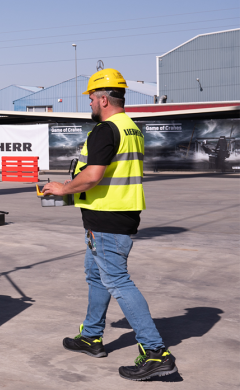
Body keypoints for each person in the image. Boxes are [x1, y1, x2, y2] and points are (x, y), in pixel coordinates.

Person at [42, 68, 177, 381]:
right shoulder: (131, 128)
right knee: (96, 276)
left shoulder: (105, 129)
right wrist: (74, 183)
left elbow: (93, 175)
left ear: (103, 99)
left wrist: (62, 188)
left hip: (108, 219)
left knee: (117, 280)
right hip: (117, 214)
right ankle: (91, 337)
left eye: (91, 98)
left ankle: (155, 352)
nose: (89, 103)